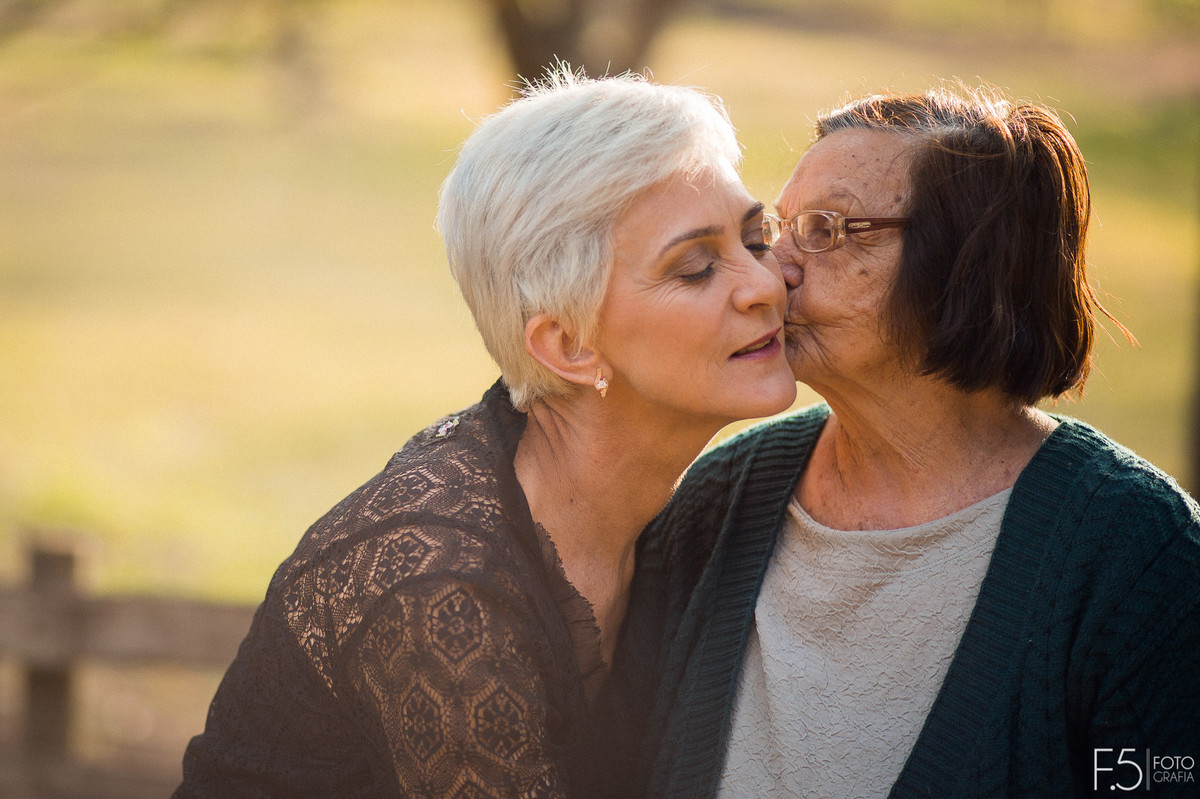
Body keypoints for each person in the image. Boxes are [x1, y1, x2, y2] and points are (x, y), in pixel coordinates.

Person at [173, 68, 797, 799]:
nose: (763, 284)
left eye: (757, 238)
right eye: (695, 267)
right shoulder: (441, 585)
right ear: (568, 345)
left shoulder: (679, 508)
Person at [616, 85, 1200, 798]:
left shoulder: (1138, 555)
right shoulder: (716, 502)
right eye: (783, 227)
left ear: (967, 270)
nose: (775, 269)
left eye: (827, 229)